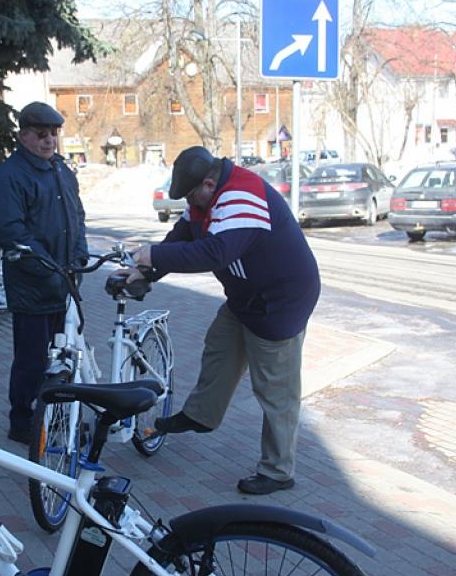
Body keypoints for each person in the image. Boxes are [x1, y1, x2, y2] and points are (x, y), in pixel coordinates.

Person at [126, 146, 321, 495]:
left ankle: (278, 471)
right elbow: (182, 236)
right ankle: (201, 415)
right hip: (247, 296)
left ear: (208, 182)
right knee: (220, 345)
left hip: (280, 302)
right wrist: (146, 272)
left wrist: (152, 254)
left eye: (190, 195)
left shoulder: (242, 195)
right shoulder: (205, 198)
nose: (190, 204)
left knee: (275, 389)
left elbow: (214, 253)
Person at [0, 102, 88, 444]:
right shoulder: (11, 175)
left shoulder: (61, 170)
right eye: (42, 134)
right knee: (32, 360)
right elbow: (10, 231)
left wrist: (79, 254)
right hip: (32, 287)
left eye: (54, 134)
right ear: (24, 136)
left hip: (64, 283)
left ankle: (55, 415)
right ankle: (22, 422)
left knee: (64, 356)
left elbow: (77, 216)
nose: (50, 140)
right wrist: (48, 267)